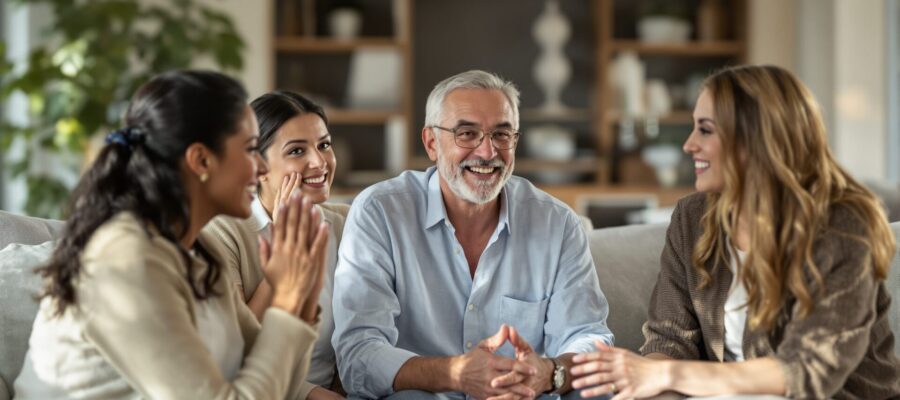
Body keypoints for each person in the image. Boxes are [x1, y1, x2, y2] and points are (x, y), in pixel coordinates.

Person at [570, 65, 900, 399]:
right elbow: (670, 341)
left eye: (705, 130)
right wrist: (640, 381)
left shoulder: (844, 226)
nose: (689, 145)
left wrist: (667, 373)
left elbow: (807, 369)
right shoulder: (692, 218)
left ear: (756, 138)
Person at [13, 70, 330, 399]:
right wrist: (286, 299)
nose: (263, 168)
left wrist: (302, 296)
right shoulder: (125, 260)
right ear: (201, 160)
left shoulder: (201, 249)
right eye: (251, 150)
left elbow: (273, 377)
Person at [332, 70, 614, 400]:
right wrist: (455, 374)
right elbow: (359, 354)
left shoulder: (558, 223)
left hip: (523, 397)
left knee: (595, 391)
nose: (487, 152)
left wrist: (550, 374)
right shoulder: (379, 212)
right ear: (431, 143)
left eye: (501, 134)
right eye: (467, 134)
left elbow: (588, 336)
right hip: (425, 396)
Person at [204, 90, 348, 400]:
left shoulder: (349, 223)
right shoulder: (221, 233)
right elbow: (232, 352)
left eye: (324, 145)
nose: (319, 162)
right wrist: (285, 249)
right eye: (297, 151)